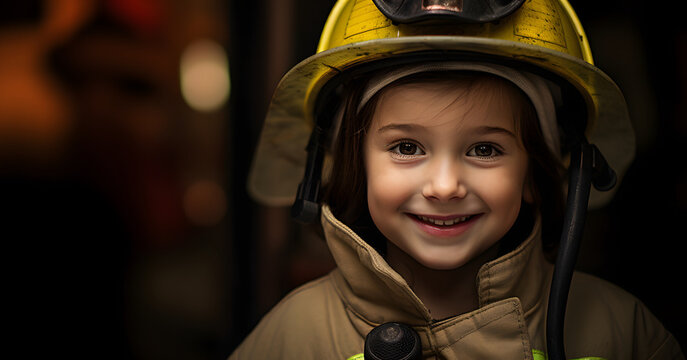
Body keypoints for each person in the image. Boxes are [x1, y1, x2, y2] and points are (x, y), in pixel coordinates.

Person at [232, 0, 684, 359]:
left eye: (484, 150)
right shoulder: (290, 339)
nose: (445, 186)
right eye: (407, 147)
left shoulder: (625, 335)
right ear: (356, 165)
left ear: (535, 171)